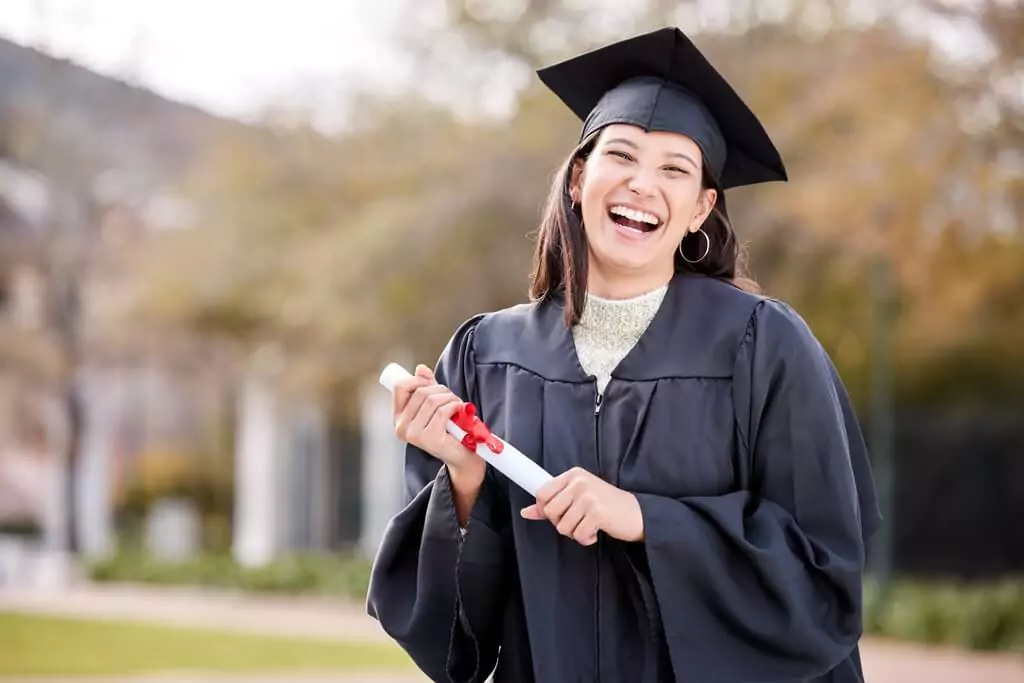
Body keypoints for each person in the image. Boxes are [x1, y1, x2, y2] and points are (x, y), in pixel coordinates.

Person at [366, 26, 881, 683]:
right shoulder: (486, 354)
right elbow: (455, 636)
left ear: (701, 208)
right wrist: (464, 480)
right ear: (579, 179)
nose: (643, 183)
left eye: (674, 169)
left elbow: (819, 576)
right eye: (623, 156)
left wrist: (645, 518)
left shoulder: (763, 344)